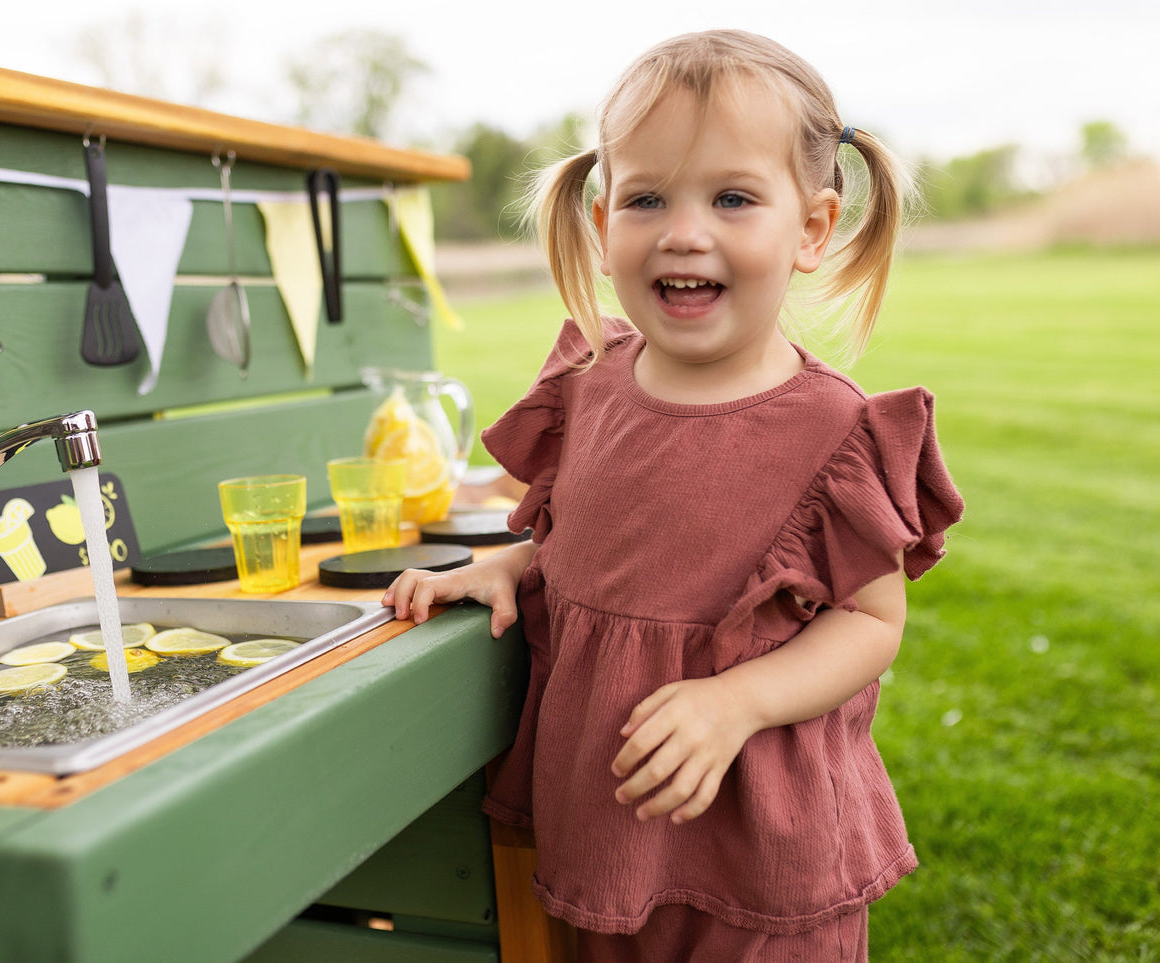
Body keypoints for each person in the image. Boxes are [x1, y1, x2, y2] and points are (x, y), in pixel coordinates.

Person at [383, 29, 965, 961]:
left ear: (811, 228)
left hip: (761, 849)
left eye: (732, 198)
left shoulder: (832, 430)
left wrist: (735, 701)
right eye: (647, 198)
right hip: (606, 822)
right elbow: (598, 539)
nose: (682, 231)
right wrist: (511, 563)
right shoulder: (591, 385)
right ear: (604, 217)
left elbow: (867, 623)